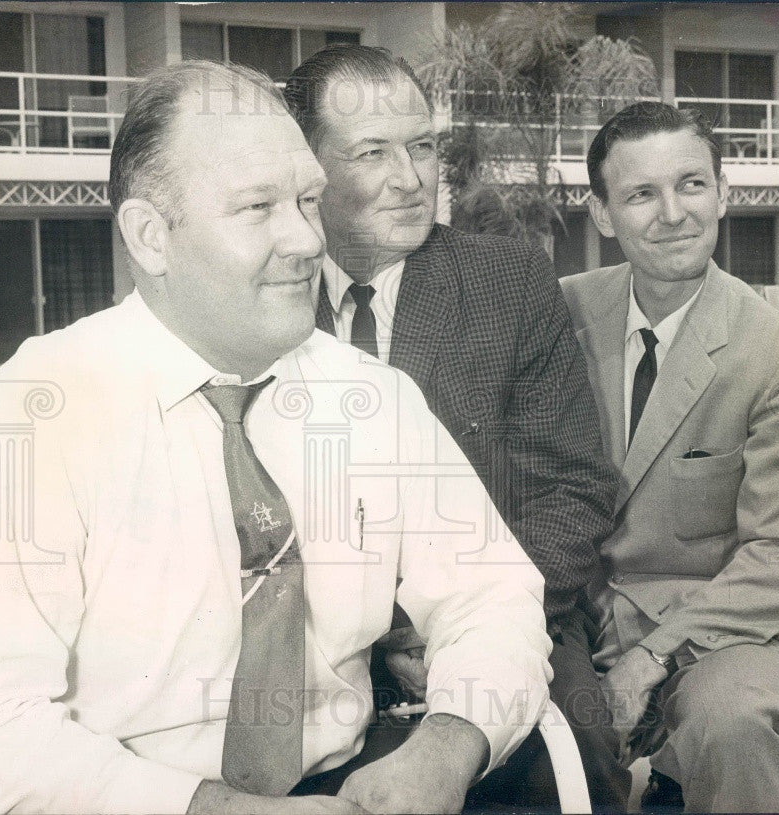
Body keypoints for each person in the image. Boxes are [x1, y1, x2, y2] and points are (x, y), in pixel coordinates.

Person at [0, 61, 553, 815]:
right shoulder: (34, 414)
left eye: (308, 200)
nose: (305, 239)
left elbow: (494, 596)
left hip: (346, 788)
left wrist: (447, 747)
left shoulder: (374, 399)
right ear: (151, 238)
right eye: (258, 208)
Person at [284, 45, 627, 813]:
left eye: (423, 146)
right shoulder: (264, 297)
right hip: (317, 636)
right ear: (306, 168)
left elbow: (571, 489)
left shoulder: (508, 280)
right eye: (372, 152)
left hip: (508, 610)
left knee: (587, 754)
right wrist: (370, 632)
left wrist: (461, 631)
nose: (411, 179)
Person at [560, 101, 779, 812]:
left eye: (691, 184)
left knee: (732, 726)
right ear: (600, 213)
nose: (673, 213)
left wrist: (653, 656)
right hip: (583, 614)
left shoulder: (778, 350)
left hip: (727, 625)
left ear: (724, 193)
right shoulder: (561, 312)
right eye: (641, 194)